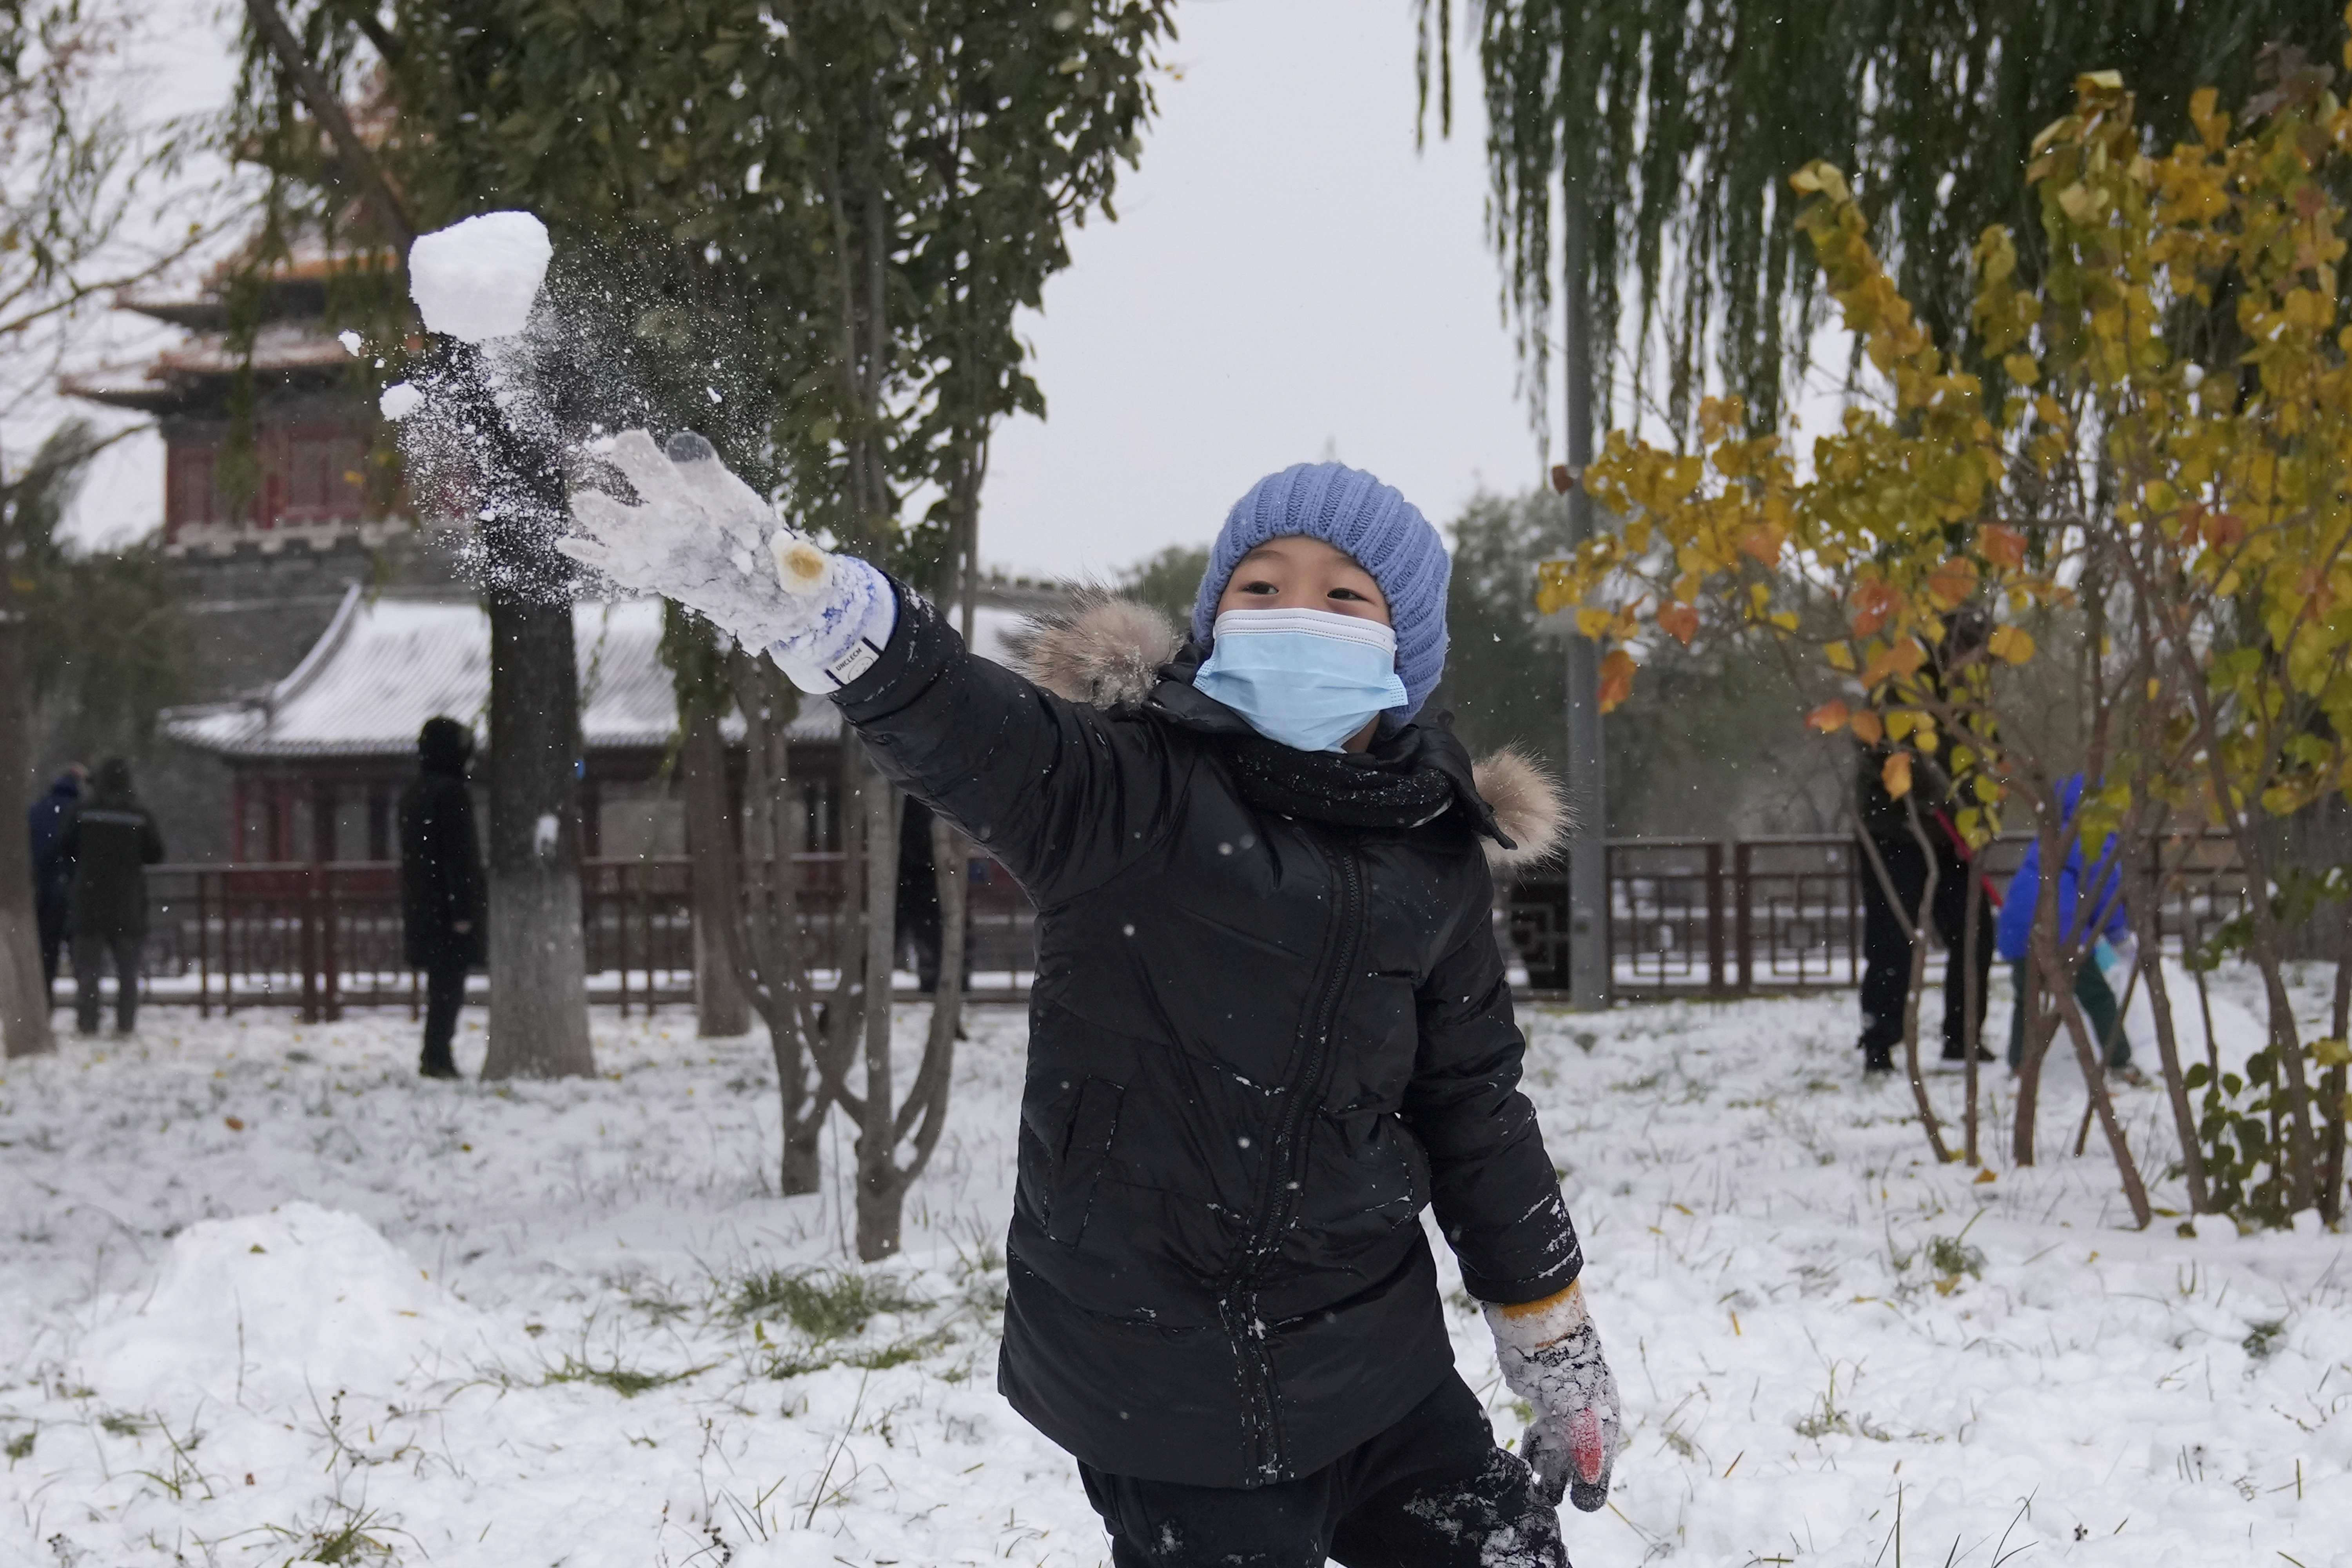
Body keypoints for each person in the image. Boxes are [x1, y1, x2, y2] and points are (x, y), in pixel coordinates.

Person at [566, 438, 1620, 1568]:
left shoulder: (1434, 852)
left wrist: (1548, 1332)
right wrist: (809, 606)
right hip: (1160, 1380)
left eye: (1343, 594)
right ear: (1217, 623)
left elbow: (1475, 1107)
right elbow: (966, 720)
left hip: (1379, 1362)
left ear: (1404, 646)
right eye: (1261, 587)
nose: (1296, 612)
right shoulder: (1126, 789)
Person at [1997, 775, 2138, 1080]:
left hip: (2017, 929)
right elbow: (2104, 887)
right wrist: (2118, 936)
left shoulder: (2049, 837)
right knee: (2097, 996)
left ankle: (2019, 1063)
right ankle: (2120, 1062)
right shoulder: (2092, 839)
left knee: (2028, 999)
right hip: (2059, 930)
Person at [399, 717, 485, 1080]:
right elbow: (459, 857)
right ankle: (437, 1055)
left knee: (440, 985)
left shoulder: (413, 794)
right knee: (448, 986)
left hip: (422, 904)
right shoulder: (452, 795)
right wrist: (463, 910)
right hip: (448, 910)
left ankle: (434, 1053)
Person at [57, 758, 164, 1037]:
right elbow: (156, 854)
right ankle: (125, 1024)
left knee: (89, 971)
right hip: (127, 903)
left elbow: (65, 846)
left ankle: (88, 1024)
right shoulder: (139, 815)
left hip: (88, 900)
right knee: (128, 972)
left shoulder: (83, 812)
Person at [27, 764, 86, 991]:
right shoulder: (81, 811)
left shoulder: (38, 810)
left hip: (46, 893)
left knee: (46, 956)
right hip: (76, 893)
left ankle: (45, 1004)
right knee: (81, 957)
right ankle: (87, 1011)